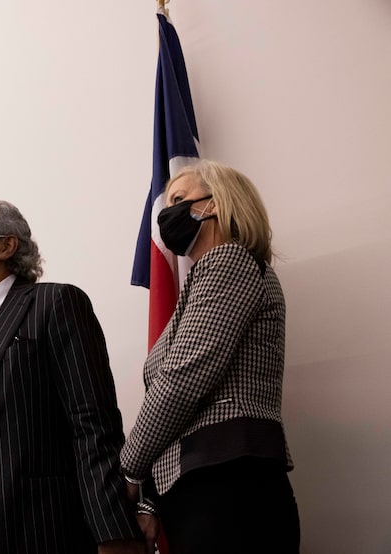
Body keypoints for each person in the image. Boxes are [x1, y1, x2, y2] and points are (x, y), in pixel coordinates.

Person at [0, 199, 147, 554]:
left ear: (6, 245)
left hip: (37, 528)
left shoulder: (54, 304)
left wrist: (113, 530)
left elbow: (92, 424)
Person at [119, 160, 300, 553]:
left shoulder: (228, 261)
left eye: (180, 199)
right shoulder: (206, 275)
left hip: (229, 487)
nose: (167, 215)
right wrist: (150, 497)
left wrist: (128, 470)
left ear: (214, 204)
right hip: (209, 488)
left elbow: (183, 381)